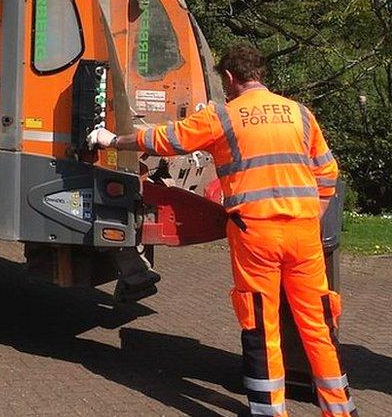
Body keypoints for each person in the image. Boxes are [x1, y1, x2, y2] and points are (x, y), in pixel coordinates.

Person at [88, 44, 356, 417]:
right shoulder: (301, 114)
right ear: (259, 74)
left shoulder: (225, 117)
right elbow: (327, 175)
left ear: (229, 78)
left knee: (262, 324)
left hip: (256, 235)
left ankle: (270, 412)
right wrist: (309, 216)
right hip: (303, 234)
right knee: (318, 323)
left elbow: (166, 141)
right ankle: (340, 410)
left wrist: (112, 140)